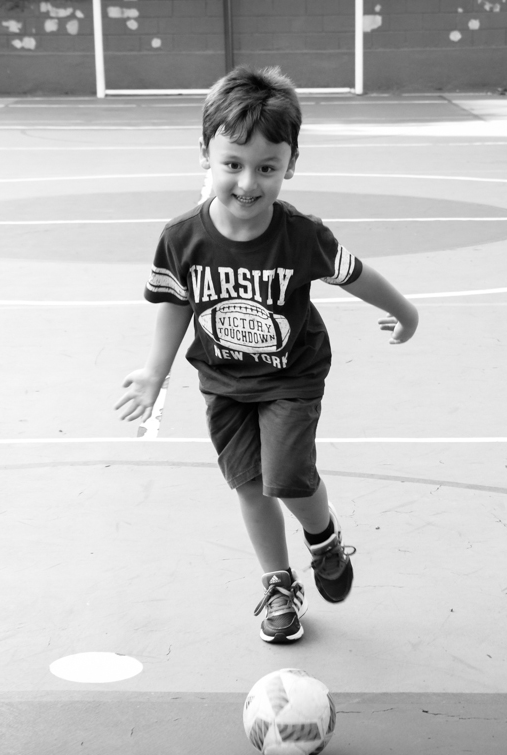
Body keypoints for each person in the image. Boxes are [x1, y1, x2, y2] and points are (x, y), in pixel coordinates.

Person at [115, 65, 418, 644]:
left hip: (292, 377)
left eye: (267, 168)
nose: (248, 183)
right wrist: (155, 372)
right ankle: (279, 585)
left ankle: (324, 540)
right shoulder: (183, 237)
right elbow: (176, 301)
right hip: (223, 381)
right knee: (251, 488)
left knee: (287, 479)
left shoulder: (302, 235)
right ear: (205, 154)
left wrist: (407, 312)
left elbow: (355, 276)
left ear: (291, 165)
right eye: (233, 164)